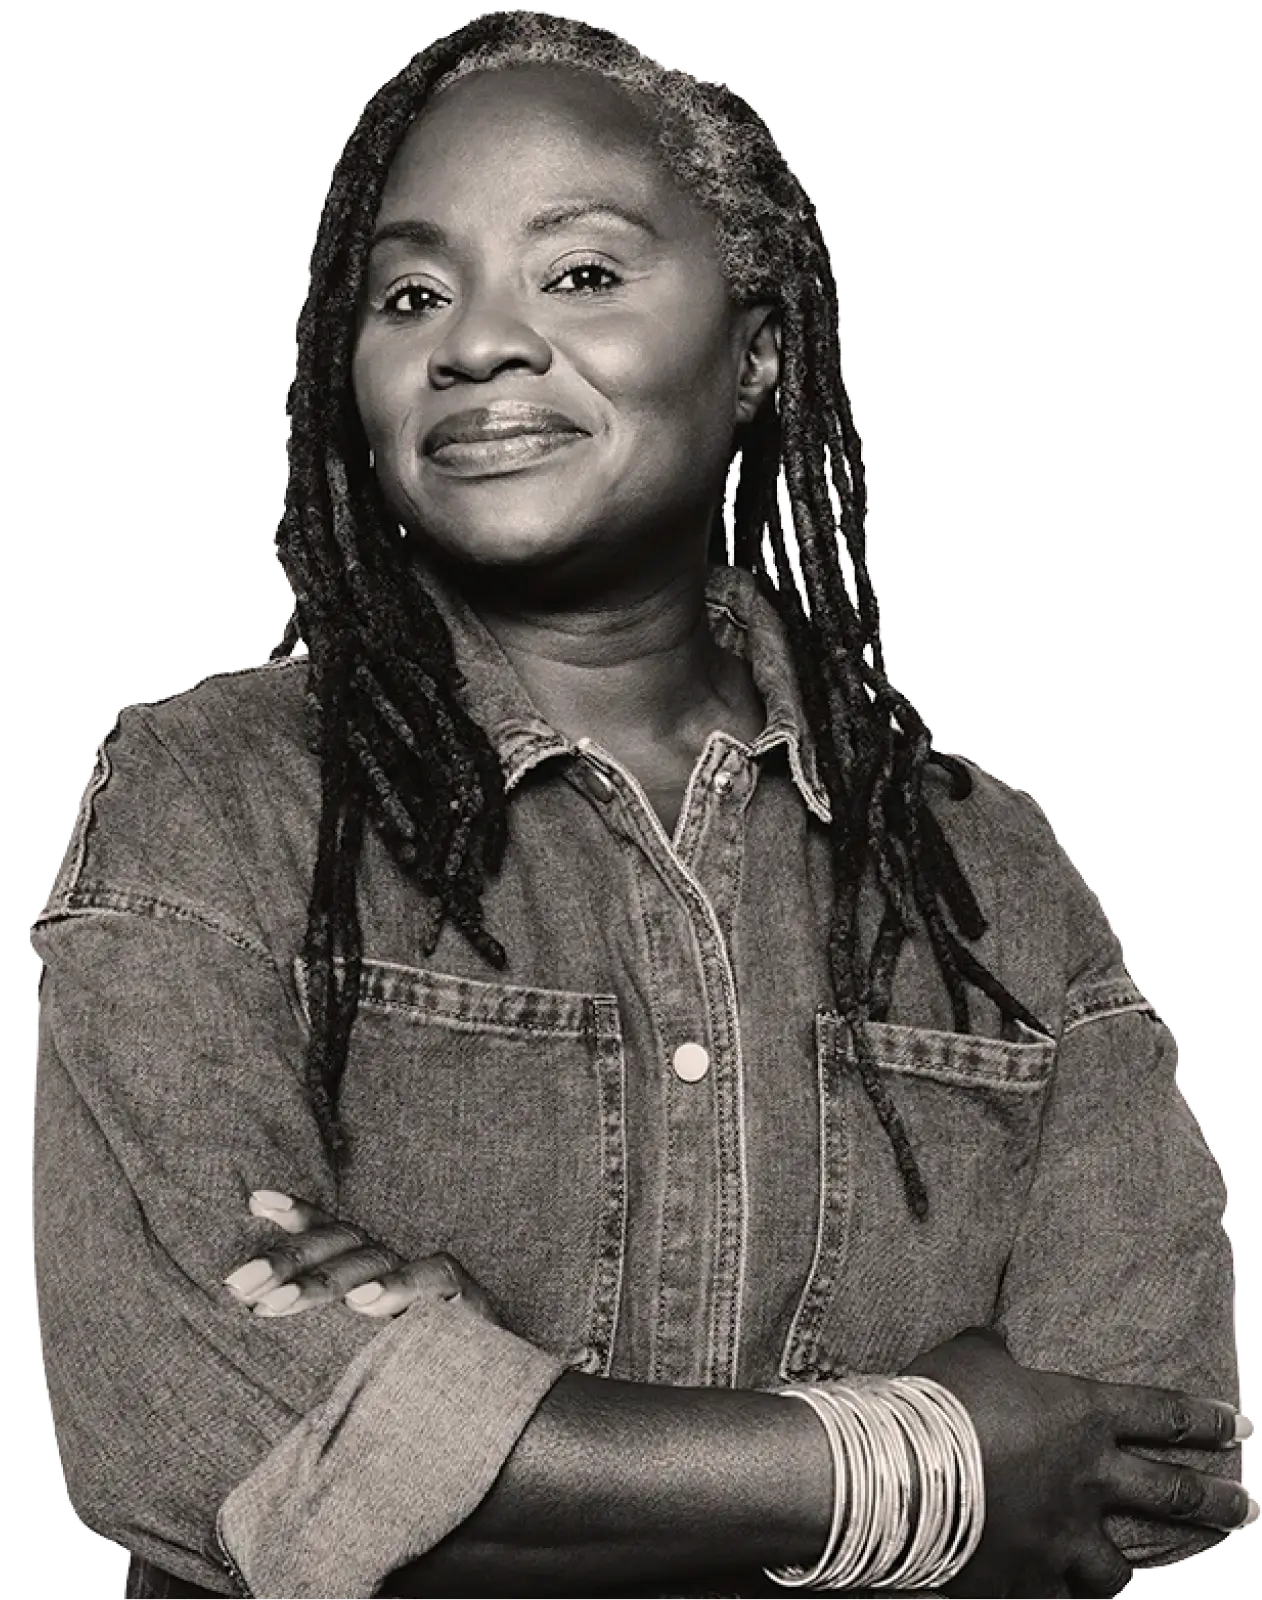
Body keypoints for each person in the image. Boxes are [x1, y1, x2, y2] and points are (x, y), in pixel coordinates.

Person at [31, 12, 1250, 1600]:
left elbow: (1131, 1468)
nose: (475, 343)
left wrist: (474, 1425)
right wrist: (925, 1458)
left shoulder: (990, 878)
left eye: (581, 274)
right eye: (409, 294)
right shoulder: (216, 802)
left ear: (753, 351)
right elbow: (206, 1446)